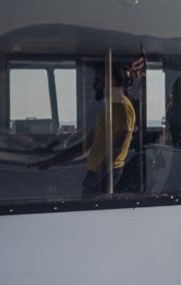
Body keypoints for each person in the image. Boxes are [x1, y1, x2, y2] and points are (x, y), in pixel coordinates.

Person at [35, 63, 137, 196]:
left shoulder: (121, 108)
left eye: (98, 80)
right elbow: (85, 146)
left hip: (106, 175)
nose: (94, 85)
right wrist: (49, 162)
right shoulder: (108, 108)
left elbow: (117, 149)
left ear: (111, 81)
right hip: (98, 174)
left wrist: (96, 179)